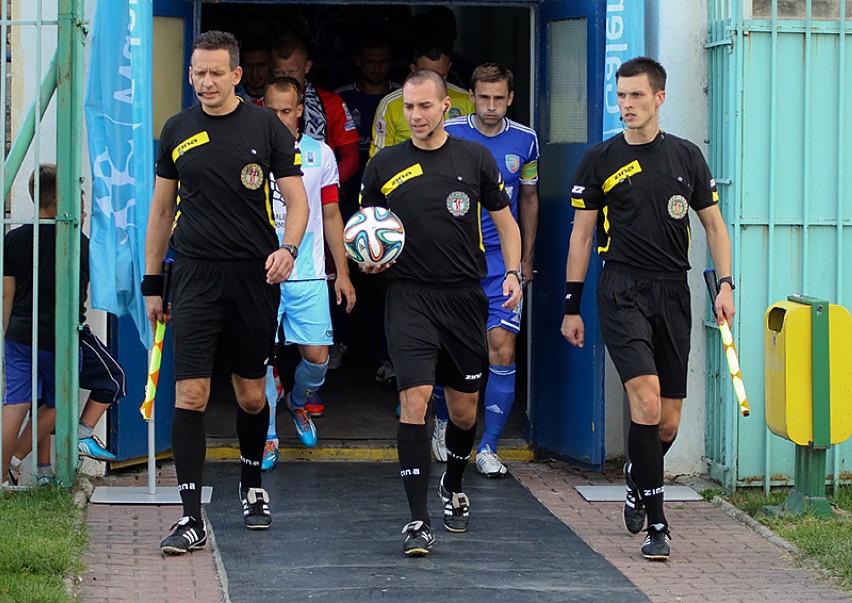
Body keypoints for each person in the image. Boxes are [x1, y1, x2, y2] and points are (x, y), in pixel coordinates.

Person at [560, 57, 735, 561]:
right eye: (621, 96)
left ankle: (640, 475)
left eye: (637, 96)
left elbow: (715, 227)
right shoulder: (600, 159)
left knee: (667, 423)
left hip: (672, 292)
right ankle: (658, 525)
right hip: (620, 290)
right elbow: (581, 235)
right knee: (645, 399)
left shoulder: (686, 157)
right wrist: (572, 305)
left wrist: (726, 286)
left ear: (659, 98)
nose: (627, 105)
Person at [144, 30, 308, 556]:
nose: (206, 82)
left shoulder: (267, 127)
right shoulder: (177, 128)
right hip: (193, 276)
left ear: (238, 75)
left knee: (251, 394)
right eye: (198, 73)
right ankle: (190, 518)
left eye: (216, 72)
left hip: (252, 278)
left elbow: (298, 202)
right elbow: (160, 211)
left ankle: (251, 483)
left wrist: (289, 248)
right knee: (189, 394)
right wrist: (153, 282)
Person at [360, 69, 522, 556]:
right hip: (408, 296)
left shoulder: (474, 159)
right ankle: (416, 519)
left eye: (425, 107)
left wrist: (512, 273)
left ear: (445, 108)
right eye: (409, 107)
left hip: (463, 298)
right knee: (413, 401)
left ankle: (452, 483)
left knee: (463, 409)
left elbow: (507, 224)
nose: (415, 116)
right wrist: (364, 259)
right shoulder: (384, 164)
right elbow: (362, 229)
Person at [439, 62, 540, 477]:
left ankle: (489, 447)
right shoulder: (451, 133)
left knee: (503, 348)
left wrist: (526, 259)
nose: (492, 106)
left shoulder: (526, 141)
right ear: (472, 96)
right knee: (447, 350)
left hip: (503, 263)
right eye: (484, 97)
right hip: (455, 260)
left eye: (500, 98)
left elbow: (530, 200)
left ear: (511, 98)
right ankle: (444, 425)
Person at [3, 164, 124, 488]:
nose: (83, 207)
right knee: (62, 402)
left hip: (18, 336)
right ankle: (27, 454)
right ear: (62, 202)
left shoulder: (13, 239)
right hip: (59, 338)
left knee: (16, 406)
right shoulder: (78, 244)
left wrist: (5, 337)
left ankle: (10, 475)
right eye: (80, 199)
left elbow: (7, 297)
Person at [260, 76, 356, 470]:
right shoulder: (249, 151)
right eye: (273, 111)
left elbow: (332, 215)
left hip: (310, 273)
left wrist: (344, 274)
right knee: (258, 360)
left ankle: (297, 401)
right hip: (261, 274)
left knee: (316, 357)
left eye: (287, 110)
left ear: (300, 111)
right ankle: (266, 433)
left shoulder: (321, 153)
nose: (281, 118)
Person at [271, 33, 359, 186]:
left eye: (292, 72)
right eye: (280, 72)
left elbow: (351, 157)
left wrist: (328, 186)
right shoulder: (261, 106)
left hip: (321, 191)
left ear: (307, 67)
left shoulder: (331, 102)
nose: (286, 77)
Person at [368, 41, 474, 159]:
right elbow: (378, 160)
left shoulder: (466, 100)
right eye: (409, 107)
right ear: (413, 69)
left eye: (441, 76)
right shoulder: (390, 104)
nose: (433, 83)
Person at [236, 38, 274, 104]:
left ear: (271, 64)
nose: (255, 73)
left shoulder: (283, 94)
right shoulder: (232, 97)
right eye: (249, 66)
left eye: (261, 65)